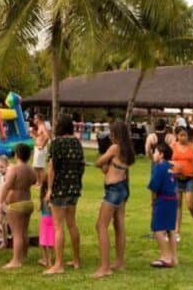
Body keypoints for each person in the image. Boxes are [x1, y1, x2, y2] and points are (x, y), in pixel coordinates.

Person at [44, 114, 84, 275]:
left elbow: (51, 168)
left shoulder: (56, 144)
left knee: (58, 227)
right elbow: (81, 166)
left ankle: (58, 264)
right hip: (73, 188)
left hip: (59, 188)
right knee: (72, 224)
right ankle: (76, 260)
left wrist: (49, 189)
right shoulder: (77, 143)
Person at [93, 120, 133, 278]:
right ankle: (119, 262)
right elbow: (108, 168)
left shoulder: (114, 148)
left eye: (111, 133)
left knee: (101, 226)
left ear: (116, 134)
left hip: (113, 190)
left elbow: (98, 163)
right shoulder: (127, 150)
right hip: (123, 187)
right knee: (119, 225)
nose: (110, 135)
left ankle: (105, 267)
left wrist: (105, 161)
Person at [0, 143, 34, 269]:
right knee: (24, 231)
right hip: (28, 202)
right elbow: (34, 180)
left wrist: (0, 201)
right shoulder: (30, 169)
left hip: (15, 204)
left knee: (16, 233)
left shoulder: (14, 169)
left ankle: (16, 260)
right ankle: (24, 255)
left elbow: (7, 186)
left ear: (17, 154)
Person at [148, 141, 178, 268]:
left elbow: (154, 187)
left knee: (157, 228)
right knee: (170, 229)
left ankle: (165, 257)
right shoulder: (170, 167)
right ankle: (174, 257)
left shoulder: (158, 167)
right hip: (173, 199)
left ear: (161, 154)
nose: (153, 154)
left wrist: (153, 201)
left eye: (155, 152)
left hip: (163, 200)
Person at [172, 127, 193, 239]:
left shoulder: (192, 147)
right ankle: (177, 230)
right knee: (178, 205)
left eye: (185, 135)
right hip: (176, 178)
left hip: (189, 178)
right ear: (177, 136)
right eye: (181, 135)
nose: (183, 137)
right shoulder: (173, 146)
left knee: (190, 205)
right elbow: (168, 161)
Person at [30, 113, 51, 185]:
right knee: (36, 167)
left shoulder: (42, 126)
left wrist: (42, 146)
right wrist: (33, 133)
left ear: (38, 119)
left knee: (40, 167)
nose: (34, 120)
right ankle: (38, 182)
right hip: (38, 148)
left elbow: (47, 137)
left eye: (35, 118)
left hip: (40, 149)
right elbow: (39, 136)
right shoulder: (39, 127)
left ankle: (42, 183)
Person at [37, 180, 54, 268]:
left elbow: (39, 208)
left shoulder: (43, 198)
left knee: (43, 240)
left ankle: (45, 259)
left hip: (44, 220)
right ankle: (49, 260)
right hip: (52, 220)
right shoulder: (54, 198)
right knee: (50, 240)